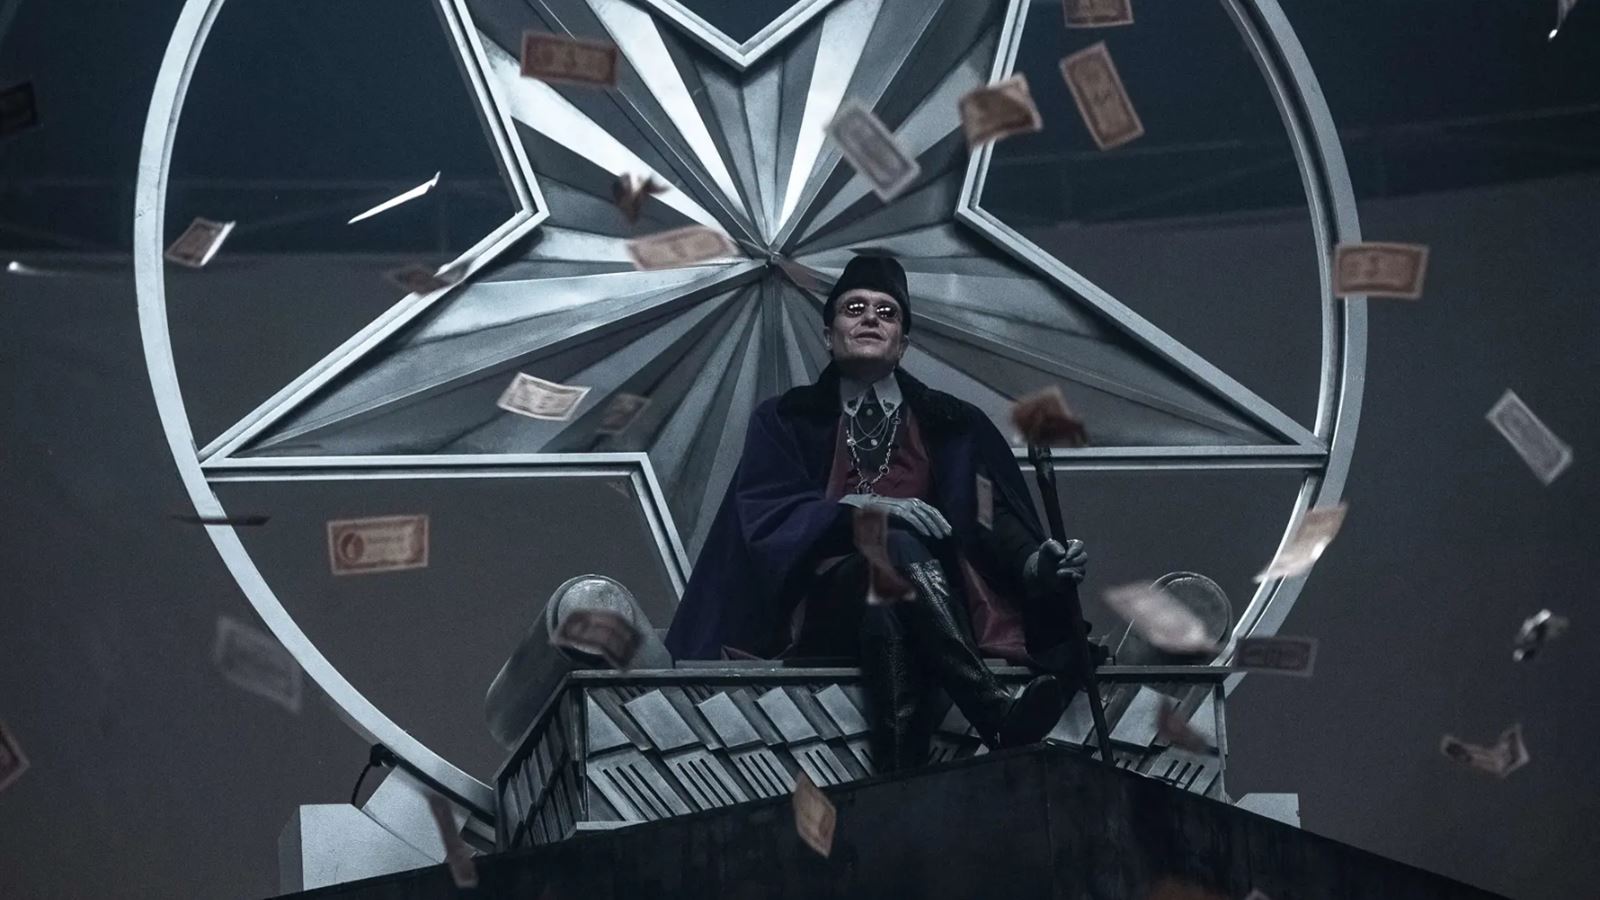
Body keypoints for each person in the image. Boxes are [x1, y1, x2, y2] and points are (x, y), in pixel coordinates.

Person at [665, 254, 1092, 771]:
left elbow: (987, 515)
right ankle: (992, 708)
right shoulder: (786, 420)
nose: (870, 317)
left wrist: (1034, 563)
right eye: (855, 308)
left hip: (931, 603)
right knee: (891, 540)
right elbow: (766, 511)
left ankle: (897, 782)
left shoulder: (953, 426)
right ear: (829, 335)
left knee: (886, 592)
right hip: (818, 614)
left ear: (902, 344)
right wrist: (862, 509)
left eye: (887, 313)